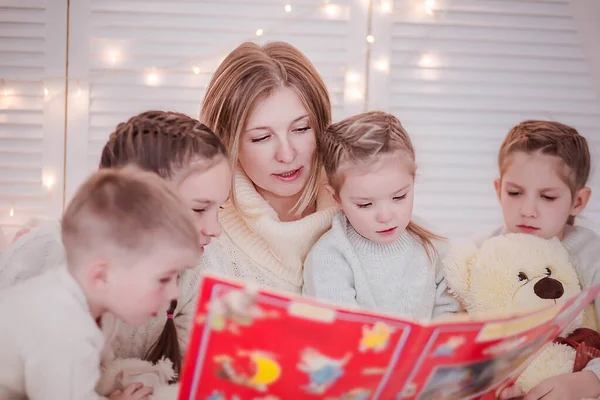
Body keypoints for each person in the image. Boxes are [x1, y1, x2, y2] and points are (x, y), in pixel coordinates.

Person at [0, 111, 231, 377]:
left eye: (219, 208)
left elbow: (203, 376)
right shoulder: (48, 253)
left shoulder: (202, 267)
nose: (216, 230)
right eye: (199, 209)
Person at [0, 166, 202, 399]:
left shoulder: (99, 311)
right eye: (163, 279)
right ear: (102, 276)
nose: (173, 294)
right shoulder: (64, 329)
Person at [199, 41, 338, 294]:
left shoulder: (370, 208)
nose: (286, 154)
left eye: (301, 128)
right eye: (261, 137)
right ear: (228, 141)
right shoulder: (204, 237)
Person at [478, 120, 600, 400]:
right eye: (514, 192)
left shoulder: (590, 253)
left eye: (547, 197)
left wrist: (590, 380)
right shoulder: (483, 249)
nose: (528, 210)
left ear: (578, 202)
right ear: (498, 189)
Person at [302, 111, 460, 318]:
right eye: (365, 204)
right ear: (336, 198)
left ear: (413, 179)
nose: (385, 216)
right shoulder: (329, 257)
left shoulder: (435, 245)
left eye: (399, 197)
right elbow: (342, 330)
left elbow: (450, 314)